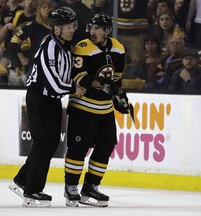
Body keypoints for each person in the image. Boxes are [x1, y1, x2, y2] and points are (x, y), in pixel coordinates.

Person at [9, 7, 85, 208]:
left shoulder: (67, 46)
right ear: (56, 29)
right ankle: (32, 192)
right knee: (44, 143)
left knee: (49, 143)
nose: (72, 30)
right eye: (68, 26)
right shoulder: (49, 46)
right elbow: (54, 84)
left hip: (52, 100)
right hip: (39, 99)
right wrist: (74, 88)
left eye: (73, 25)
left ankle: (22, 180)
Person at [63, 13, 129, 208]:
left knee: (107, 144)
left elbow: (116, 78)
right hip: (82, 108)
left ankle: (90, 186)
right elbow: (78, 76)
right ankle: (71, 187)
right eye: (91, 28)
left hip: (105, 109)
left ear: (107, 31)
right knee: (78, 148)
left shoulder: (118, 48)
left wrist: (120, 96)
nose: (93, 32)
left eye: (98, 29)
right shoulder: (82, 47)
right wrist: (102, 85)